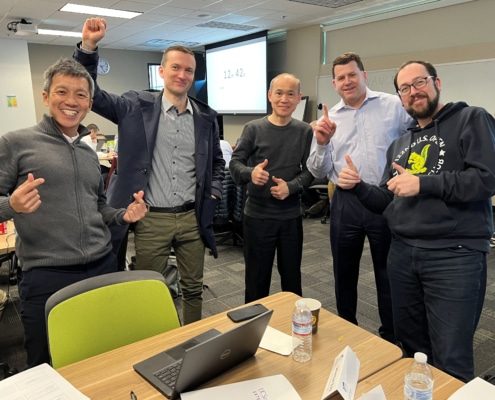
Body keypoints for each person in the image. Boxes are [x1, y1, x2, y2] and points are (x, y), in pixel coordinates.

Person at [338, 60, 495, 382]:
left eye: (419, 82)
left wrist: (423, 183)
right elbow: (386, 200)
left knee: (451, 355)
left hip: (455, 254)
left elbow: (487, 179)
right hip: (402, 254)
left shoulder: (471, 118)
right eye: (405, 88)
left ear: (437, 82)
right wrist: (358, 188)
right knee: (412, 350)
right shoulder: (400, 144)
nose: (413, 92)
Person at [74, 18, 225, 324]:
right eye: (176, 68)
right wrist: (89, 48)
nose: (182, 75)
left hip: (191, 217)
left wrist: (214, 193)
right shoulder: (133, 106)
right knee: (149, 288)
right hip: (150, 217)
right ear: (162, 71)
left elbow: (217, 165)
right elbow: (91, 93)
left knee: (193, 288)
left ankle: (192, 339)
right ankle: (155, 343)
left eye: (189, 70)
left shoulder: (206, 117)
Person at [0, 58, 147, 368]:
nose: (71, 101)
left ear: (90, 103)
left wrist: (124, 215)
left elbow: (99, 208)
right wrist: (10, 206)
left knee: (102, 353)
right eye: (62, 91)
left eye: (81, 95)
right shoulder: (15, 143)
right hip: (45, 274)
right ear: (45, 96)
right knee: (44, 363)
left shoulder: (88, 152)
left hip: (101, 265)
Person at [306, 52, 412, 343]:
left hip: (385, 197)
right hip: (346, 201)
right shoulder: (327, 120)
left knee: (387, 272)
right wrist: (321, 143)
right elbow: (318, 169)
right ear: (334, 84)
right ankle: (347, 329)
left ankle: (391, 337)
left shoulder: (393, 106)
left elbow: (415, 141)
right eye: (341, 78)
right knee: (344, 270)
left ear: (364, 76)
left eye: (352, 75)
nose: (347, 81)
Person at [229, 73, 314, 302]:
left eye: (290, 94)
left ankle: (294, 332)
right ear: (270, 96)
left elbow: (310, 171)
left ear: (298, 98)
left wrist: (292, 187)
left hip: (291, 218)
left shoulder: (305, 131)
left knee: (292, 282)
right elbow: (234, 164)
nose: (284, 99)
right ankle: (254, 334)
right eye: (279, 93)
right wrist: (250, 173)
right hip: (257, 218)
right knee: (256, 282)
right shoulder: (253, 128)